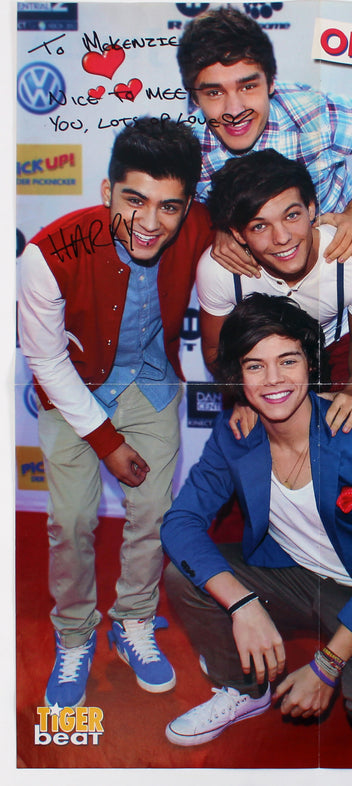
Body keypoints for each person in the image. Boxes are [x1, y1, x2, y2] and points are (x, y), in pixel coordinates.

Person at [160, 293, 352, 746]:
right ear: (237, 376)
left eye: (288, 360)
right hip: (290, 576)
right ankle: (245, 690)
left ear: (310, 364)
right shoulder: (236, 433)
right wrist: (243, 605)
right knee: (185, 576)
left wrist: (326, 667)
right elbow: (180, 522)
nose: (273, 379)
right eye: (255, 366)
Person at [18, 117, 215, 708]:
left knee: (154, 512)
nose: (150, 222)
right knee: (71, 520)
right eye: (134, 200)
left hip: (152, 385)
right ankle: (74, 634)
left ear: (188, 206)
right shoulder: (47, 252)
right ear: (107, 191)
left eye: (169, 207)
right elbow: (46, 361)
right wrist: (107, 442)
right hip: (73, 391)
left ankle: (133, 620)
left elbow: (267, 223)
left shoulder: (200, 225)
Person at [176, 5, 352, 272]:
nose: (234, 111)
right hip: (252, 272)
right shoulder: (188, 148)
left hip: (332, 260)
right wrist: (219, 229)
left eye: (248, 86)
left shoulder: (313, 114)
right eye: (214, 93)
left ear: (271, 83)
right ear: (194, 98)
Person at [199, 148, 352, 437]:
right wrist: (241, 396)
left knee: (343, 440)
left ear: (311, 209)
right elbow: (214, 351)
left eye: (292, 215)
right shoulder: (220, 269)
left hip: (333, 353)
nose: (282, 238)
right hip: (254, 362)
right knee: (248, 446)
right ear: (237, 233)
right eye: (260, 226)